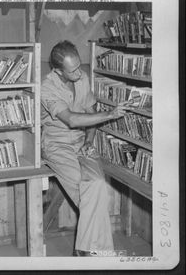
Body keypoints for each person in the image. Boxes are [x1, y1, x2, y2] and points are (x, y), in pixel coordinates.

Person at [41, 40, 128, 256]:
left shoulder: (82, 78)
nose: (80, 72)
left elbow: (90, 115)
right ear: (58, 71)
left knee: (97, 183)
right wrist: (110, 114)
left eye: (80, 65)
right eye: (74, 70)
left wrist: (89, 140)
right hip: (57, 145)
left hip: (82, 142)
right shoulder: (46, 88)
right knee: (87, 191)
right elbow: (71, 119)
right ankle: (97, 253)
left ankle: (84, 251)